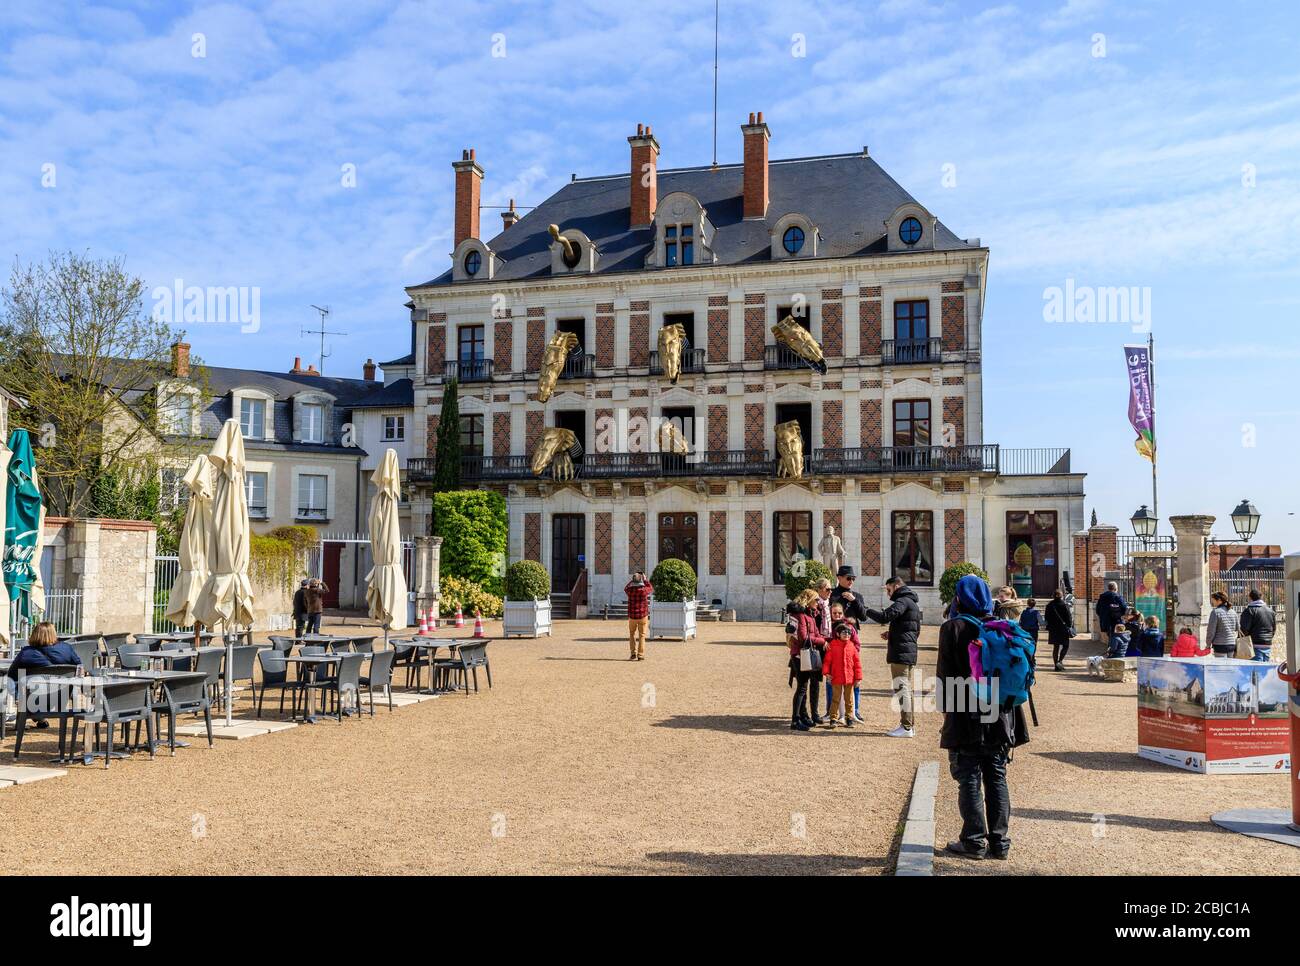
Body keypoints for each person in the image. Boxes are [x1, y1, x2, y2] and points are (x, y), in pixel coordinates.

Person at [937, 575, 1029, 860]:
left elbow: (945, 674)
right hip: (1000, 710)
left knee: (969, 777)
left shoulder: (952, 627)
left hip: (966, 708)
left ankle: (974, 842)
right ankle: (1000, 843)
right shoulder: (999, 625)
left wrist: (945, 710)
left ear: (960, 597)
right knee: (997, 776)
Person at [865, 576, 921, 738]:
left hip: (901, 652)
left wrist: (866, 609)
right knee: (906, 688)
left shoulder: (902, 601)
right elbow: (914, 630)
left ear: (896, 586)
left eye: (888, 589)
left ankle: (906, 727)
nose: (888, 594)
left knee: (902, 688)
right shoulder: (912, 603)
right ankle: (909, 725)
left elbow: (884, 617)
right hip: (908, 650)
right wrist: (892, 633)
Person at [3, 622, 82, 728]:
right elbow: (80, 667)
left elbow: (11, 675)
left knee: (8, 682)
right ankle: (39, 716)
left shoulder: (26, 653)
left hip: (32, 699)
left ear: (34, 634)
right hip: (60, 697)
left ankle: (33, 713)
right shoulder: (67, 649)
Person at [786, 591, 826, 731]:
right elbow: (804, 638)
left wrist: (824, 638)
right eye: (816, 600)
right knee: (802, 688)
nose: (818, 603)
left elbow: (814, 632)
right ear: (809, 601)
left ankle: (802, 716)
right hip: (800, 654)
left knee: (803, 686)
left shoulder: (807, 615)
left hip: (803, 653)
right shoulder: (801, 616)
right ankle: (795, 720)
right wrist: (822, 641)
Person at [823, 621, 862, 729]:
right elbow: (827, 661)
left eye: (849, 633)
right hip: (836, 676)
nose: (847, 634)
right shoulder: (832, 645)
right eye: (844, 632)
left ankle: (849, 718)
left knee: (849, 699)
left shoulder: (852, 647)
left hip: (849, 677)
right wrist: (826, 673)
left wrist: (858, 678)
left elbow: (857, 663)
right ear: (838, 634)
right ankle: (833, 718)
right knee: (835, 698)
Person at [1239, 589, 1277, 661]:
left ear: (1250, 598)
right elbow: (1274, 628)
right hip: (1267, 644)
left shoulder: (1249, 610)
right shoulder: (1270, 611)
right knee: (1265, 668)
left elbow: (1244, 629)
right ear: (1261, 597)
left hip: (1254, 644)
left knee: (1256, 670)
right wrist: (1268, 638)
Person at [624, 572, 653, 661]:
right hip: (642, 615)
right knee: (642, 635)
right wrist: (645, 579)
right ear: (641, 581)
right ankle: (640, 655)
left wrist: (632, 580)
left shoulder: (630, 590)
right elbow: (651, 588)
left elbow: (625, 588)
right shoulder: (644, 590)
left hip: (632, 616)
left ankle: (633, 653)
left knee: (632, 634)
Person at [1045, 589, 1073, 671]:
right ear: (1061, 595)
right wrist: (1069, 625)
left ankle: (1056, 665)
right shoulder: (1064, 604)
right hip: (1063, 628)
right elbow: (1068, 617)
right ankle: (1060, 661)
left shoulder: (1050, 605)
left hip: (1053, 628)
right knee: (1065, 645)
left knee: (1056, 647)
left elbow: (1046, 617)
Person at [1205, 592, 1239, 658]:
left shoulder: (1215, 612)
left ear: (1219, 600)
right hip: (1231, 644)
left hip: (1219, 645)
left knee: (1221, 667)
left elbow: (1211, 631)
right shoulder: (1233, 612)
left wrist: (1208, 644)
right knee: (1230, 666)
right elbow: (1237, 627)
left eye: (1213, 600)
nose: (1212, 602)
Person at [1095, 581, 1127, 646]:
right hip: (1116, 620)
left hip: (1105, 620)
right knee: (1116, 637)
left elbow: (1098, 610)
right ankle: (1114, 651)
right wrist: (1121, 615)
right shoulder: (1117, 596)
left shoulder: (1102, 597)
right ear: (1115, 588)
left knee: (1110, 636)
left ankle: (1110, 650)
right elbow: (1124, 608)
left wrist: (1102, 616)